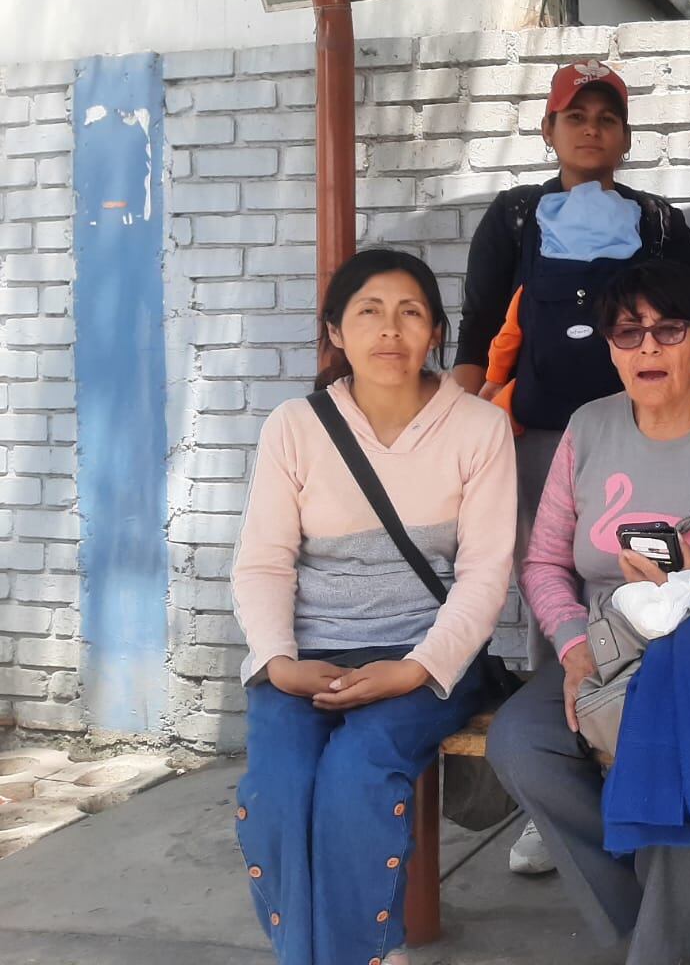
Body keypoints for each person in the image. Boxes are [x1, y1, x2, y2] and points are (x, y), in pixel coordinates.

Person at [485, 260, 690, 965]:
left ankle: (656, 949)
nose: (647, 347)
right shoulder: (588, 429)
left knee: (665, 743)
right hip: (603, 649)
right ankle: (674, 919)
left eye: (668, 329)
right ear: (611, 348)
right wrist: (573, 649)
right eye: (628, 333)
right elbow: (543, 562)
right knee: (521, 746)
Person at [231, 248, 515, 965]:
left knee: (356, 777)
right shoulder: (295, 426)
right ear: (335, 331)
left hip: (424, 656)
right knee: (277, 790)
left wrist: (416, 668)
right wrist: (279, 660)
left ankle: (363, 954)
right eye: (369, 312)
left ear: (436, 333)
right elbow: (263, 561)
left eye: (411, 313)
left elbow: (485, 573)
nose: (391, 329)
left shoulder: (478, 428)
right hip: (307, 658)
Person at [452, 59, 690, 875]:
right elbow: (478, 328)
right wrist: (456, 434)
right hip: (537, 443)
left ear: (626, 136)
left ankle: (642, 770)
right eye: (576, 116)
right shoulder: (515, 218)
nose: (591, 129)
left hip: (644, 441)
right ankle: (550, 801)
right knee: (548, 596)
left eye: (606, 117)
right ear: (548, 129)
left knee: (649, 589)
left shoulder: (659, 222)